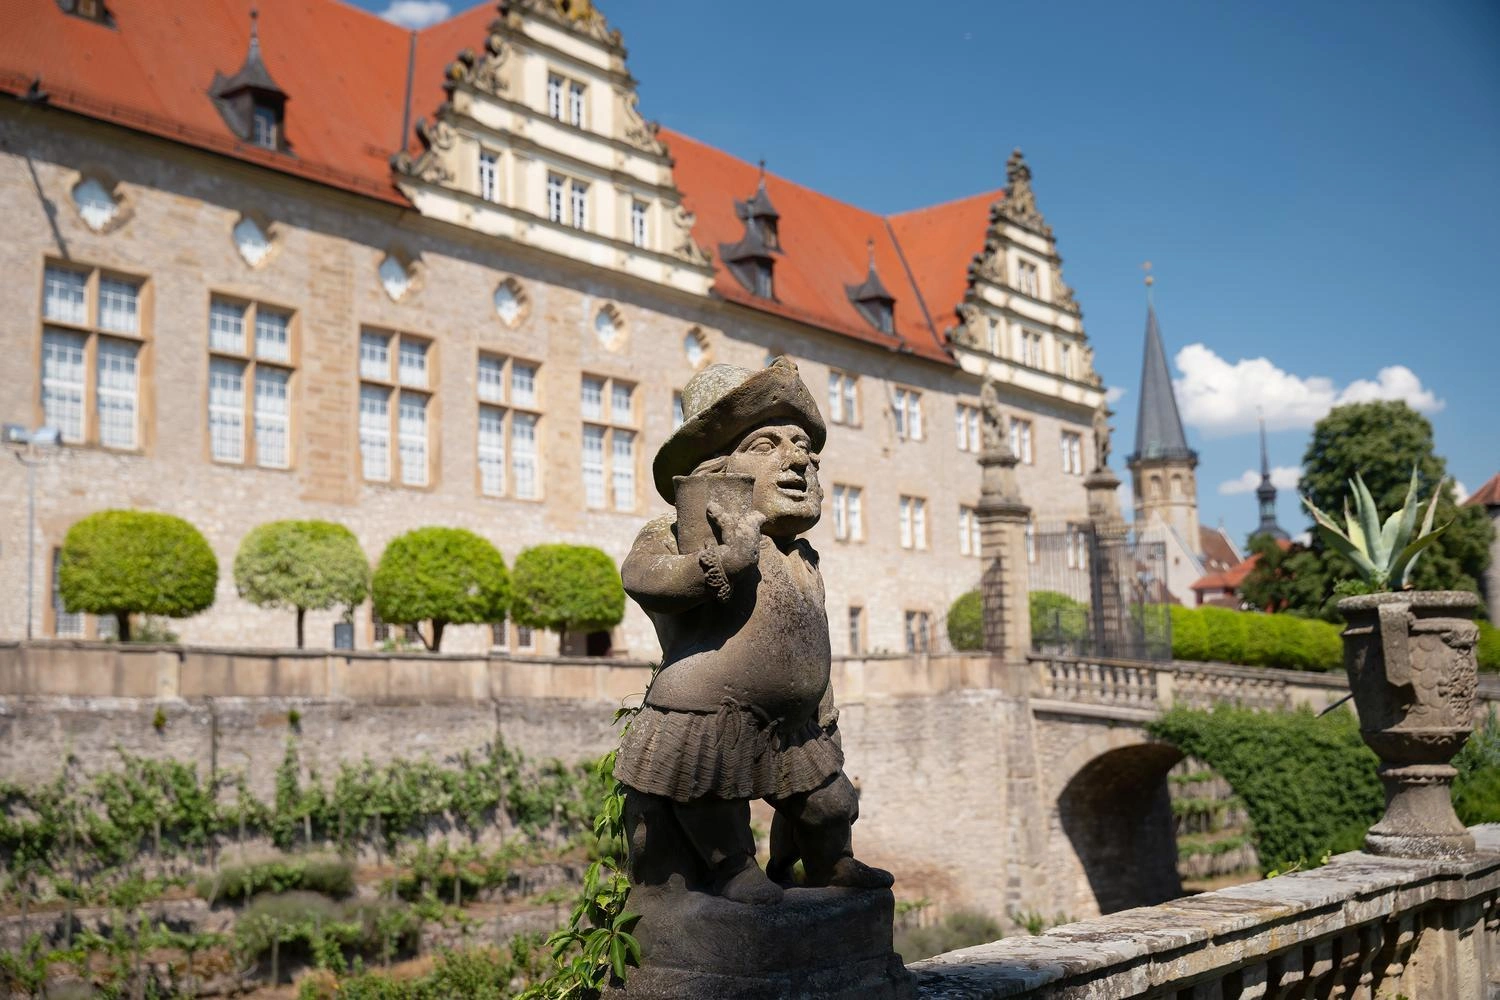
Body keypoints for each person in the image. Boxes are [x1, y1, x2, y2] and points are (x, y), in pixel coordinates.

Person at [615, 357, 892, 905]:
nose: (799, 459)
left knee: (832, 804)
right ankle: (732, 872)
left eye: (804, 447)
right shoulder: (679, 532)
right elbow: (641, 577)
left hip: (795, 723)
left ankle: (831, 864)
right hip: (707, 714)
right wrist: (718, 562)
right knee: (709, 798)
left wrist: (823, 701)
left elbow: (812, 635)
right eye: (768, 446)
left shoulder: (799, 554)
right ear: (718, 472)